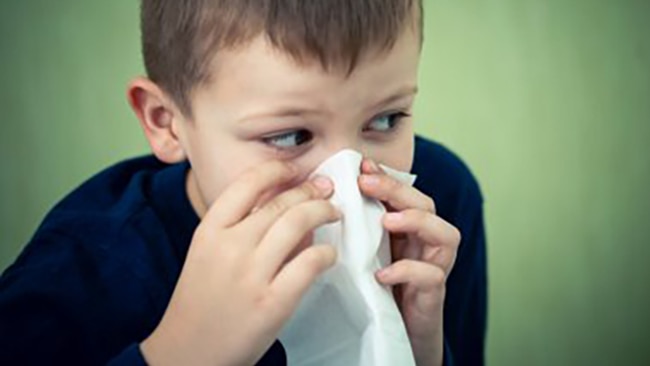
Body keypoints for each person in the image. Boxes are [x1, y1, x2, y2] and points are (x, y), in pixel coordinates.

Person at [0, 1, 486, 365]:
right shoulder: (81, 273)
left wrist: (424, 353)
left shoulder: (435, 210)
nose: (349, 180)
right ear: (167, 122)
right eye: (290, 136)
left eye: (385, 121)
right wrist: (176, 355)